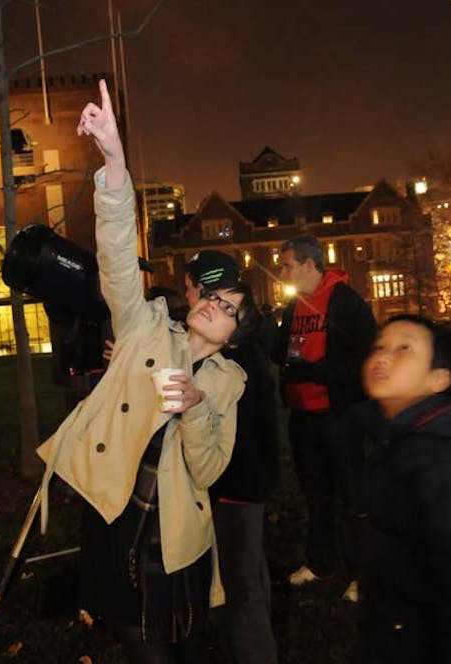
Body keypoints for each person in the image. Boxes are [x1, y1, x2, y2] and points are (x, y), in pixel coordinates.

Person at [35, 79, 259, 664]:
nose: (217, 305)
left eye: (232, 308)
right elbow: (114, 258)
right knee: (133, 636)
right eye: (215, 295)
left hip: (175, 531)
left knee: (175, 636)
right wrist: (114, 161)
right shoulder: (146, 327)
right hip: (114, 510)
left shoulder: (227, 385)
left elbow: (209, 472)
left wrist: (193, 412)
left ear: (235, 333)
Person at [351, 315, 451, 663]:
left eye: (404, 349)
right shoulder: (397, 443)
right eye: (380, 347)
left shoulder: (444, 465)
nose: (382, 357)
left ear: (439, 379)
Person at [184, 250, 281, 664]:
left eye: (190, 288)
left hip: (234, 487)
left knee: (239, 588)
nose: (189, 298)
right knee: (245, 581)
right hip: (243, 483)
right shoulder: (239, 346)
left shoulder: (232, 356)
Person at [273, 234, 377, 600]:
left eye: (286, 264)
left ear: (309, 265)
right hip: (303, 418)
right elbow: (282, 349)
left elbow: (367, 357)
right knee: (315, 494)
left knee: (353, 497)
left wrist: (317, 372)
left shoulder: (345, 302)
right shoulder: (294, 306)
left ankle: (364, 573)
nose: (281, 270)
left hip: (339, 415)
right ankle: (320, 562)